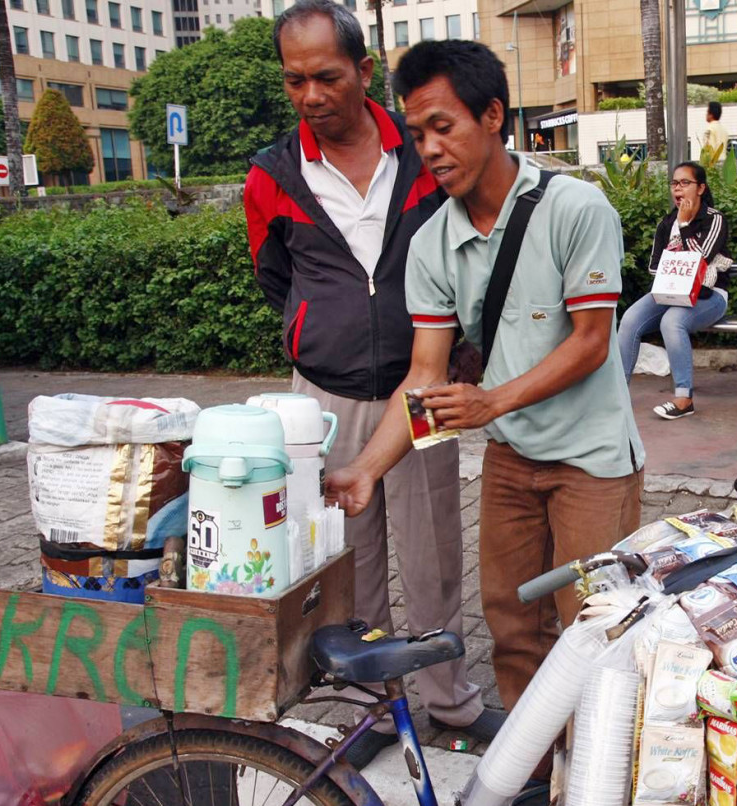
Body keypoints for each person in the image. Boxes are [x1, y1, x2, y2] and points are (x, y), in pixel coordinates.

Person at [327, 38, 644, 787]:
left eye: (444, 126)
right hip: (511, 461)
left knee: (594, 633)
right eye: (417, 134)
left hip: (593, 461)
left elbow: (594, 343)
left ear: (493, 115)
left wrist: (490, 401)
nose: (429, 149)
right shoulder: (433, 239)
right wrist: (367, 470)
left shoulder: (575, 207)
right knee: (510, 624)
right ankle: (532, 777)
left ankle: (601, 780)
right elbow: (425, 375)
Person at [242, 0, 501, 769]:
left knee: (432, 558)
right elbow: (273, 276)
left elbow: (472, 251)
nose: (311, 96)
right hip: (324, 395)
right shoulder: (271, 175)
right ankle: (367, 710)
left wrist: (466, 349)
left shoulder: (422, 153)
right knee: (346, 564)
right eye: (295, 82)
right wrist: (318, 329)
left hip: (423, 390)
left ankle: (449, 701)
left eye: (326, 77)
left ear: (363, 71)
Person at [617, 161, 732, 419]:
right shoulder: (665, 222)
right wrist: (676, 229)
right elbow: (655, 266)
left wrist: (683, 225)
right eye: (674, 183)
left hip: (710, 295)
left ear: (700, 188)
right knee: (630, 319)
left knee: (672, 322)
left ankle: (683, 399)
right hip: (670, 293)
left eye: (685, 183)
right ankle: (616, 395)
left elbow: (700, 259)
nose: (678, 189)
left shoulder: (714, 219)